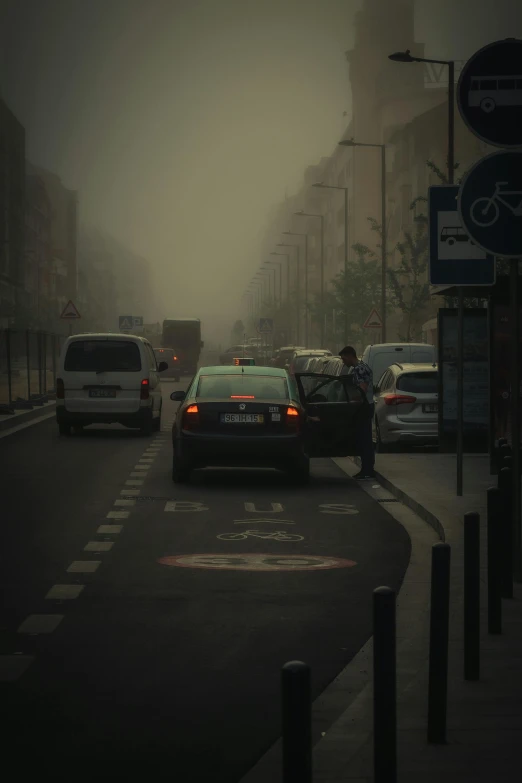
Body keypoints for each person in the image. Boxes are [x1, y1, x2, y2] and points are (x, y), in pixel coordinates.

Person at [339, 346, 375, 479]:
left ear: (349, 356)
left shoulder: (359, 369)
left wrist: (352, 401)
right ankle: (367, 468)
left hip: (363, 407)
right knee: (365, 438)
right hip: (367, 405)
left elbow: (362, 389)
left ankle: (367, 470)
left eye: (344, 358)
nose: (343, 362)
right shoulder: (363, 366)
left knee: (364, 438)